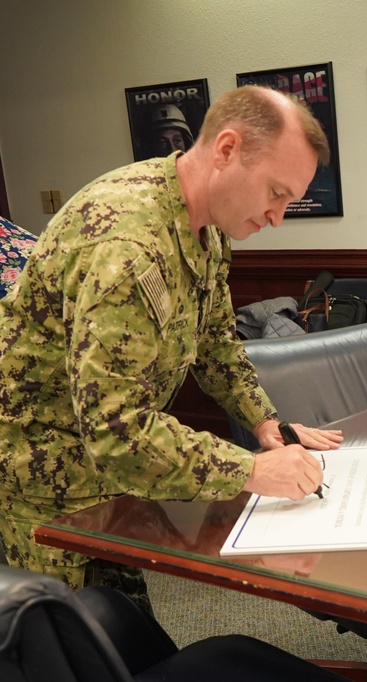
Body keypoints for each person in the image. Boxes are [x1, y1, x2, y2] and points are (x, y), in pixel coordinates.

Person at [0, 85, 343, 612]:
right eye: (276, 193)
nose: (278, 218)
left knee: (127, 634)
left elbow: (215, 342)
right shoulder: (127, 247)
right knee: (64, 646)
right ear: (226, 150)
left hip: (107, 478)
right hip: (48, 483)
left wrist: (264, 424)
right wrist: (250, 470)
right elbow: (119, 432)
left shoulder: (205, 222)